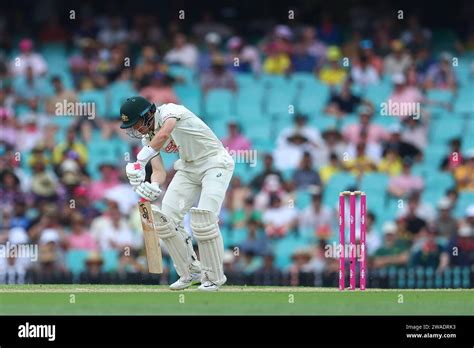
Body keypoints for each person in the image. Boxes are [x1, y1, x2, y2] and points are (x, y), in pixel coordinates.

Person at [120, 96, 234, 291]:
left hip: (215, 162)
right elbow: (159, 172)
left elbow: (164, 134)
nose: (136, 130)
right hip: (189, 168)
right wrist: (153, 186)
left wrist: (139, 162)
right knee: (166, 220)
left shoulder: (170, 111)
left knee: (204, 219)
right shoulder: (147, 138)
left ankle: (214, 277)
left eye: (136, 123)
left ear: (147, 114)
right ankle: (191, 272)